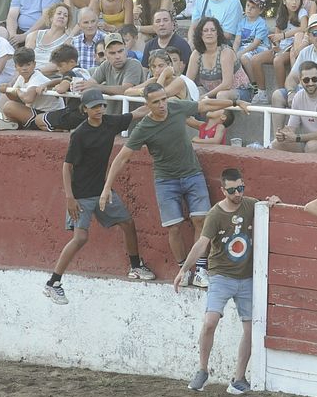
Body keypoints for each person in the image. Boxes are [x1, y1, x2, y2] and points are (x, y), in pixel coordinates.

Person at [101, 84, 249, 288]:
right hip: (165, 180)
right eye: (156, 102)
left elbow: (204, 105)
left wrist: (234, 102)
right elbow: (122, 157)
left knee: (201, 220)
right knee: (174, 227)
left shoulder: (176, 106)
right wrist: (107, 187)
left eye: (163, 99)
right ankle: (184, 269)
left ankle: (201, 269)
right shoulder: (144, 127)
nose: (162, 105)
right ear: (148, 104)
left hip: (192, 173)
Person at [176, 168, 280, 394]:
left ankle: (239, 378)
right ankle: (202, 370)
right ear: (223, 190)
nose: (237, 193)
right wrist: (185, 269)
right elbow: (202, 244)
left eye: (240, 188)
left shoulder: (251, 204)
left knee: (251, 328)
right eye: (232, 190)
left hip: (246, 277)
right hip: (221, 275)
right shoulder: (215, 214)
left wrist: (272, 201)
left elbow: (268, 204)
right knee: (210, 321)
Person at [45, 89, 154, 305]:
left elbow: (136, 113)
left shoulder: (110, 123)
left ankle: (135, 266)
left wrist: (155, 104)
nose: (99, 110)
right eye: (94, 107)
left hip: (103, 191)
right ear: (84, 109)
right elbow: (67, 167)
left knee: (127, 223)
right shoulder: (79, 134)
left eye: (102, 106)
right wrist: (69, 198)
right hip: (81, 195)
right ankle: (53, 283)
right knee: (80, 238)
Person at [0, 46, 64, 131]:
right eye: (21, 65)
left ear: (34, 64)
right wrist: (6, 90)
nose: (24, 68)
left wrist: (17, 91)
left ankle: (16, 124)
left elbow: (28, 99)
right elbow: (15, 98)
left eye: (28, 65)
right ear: (16, 67)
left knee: (9, 106)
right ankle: (13, 124)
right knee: (8, 106)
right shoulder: (20, 78)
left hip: (50, 115)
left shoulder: (37, 77)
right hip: (37, 112)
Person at [187, 16, 253, 101]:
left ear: (217, 33)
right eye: (205, 30)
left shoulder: (226, 52)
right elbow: (188, 82)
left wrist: (206, 96)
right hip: (212, 93)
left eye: (213, 30)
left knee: (221, 95)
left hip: (239, 91)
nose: (209, 33)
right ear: (200, 34)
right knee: (196, 92)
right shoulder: (196, 54)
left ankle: (221, 115)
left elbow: (227, 84)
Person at [80, 32, 145, 114]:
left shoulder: (134, 64)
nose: (117, 56)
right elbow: (90, 84)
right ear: (106, 54)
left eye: (120, 51)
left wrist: (97, 87)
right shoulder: (105, 65)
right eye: (112, 53)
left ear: (126, 50)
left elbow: (125, 89)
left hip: (132, 121)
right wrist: (78, 85)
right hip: (112, 120)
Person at [25, 2, 71, 75]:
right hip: (28, 74)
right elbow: (24, 58)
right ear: (51, 17)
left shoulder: (68, 41)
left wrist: (35, 72)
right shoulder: (35, 35)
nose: (62, 16)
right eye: (59, 13)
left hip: (48, 77)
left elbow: (57, 65)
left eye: (65, 16)